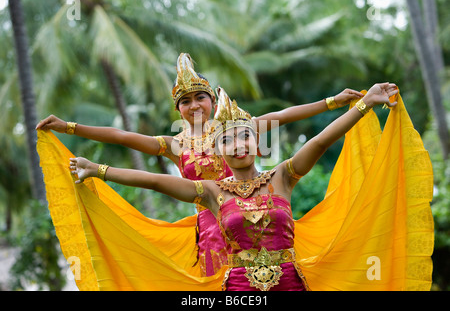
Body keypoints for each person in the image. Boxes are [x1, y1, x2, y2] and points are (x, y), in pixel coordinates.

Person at [35, 53, 363, 276]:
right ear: (179, 109)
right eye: (186, 101)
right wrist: (69, 127)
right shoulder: (175, 145)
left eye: (200, 98)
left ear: (211, 100)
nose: (194, 106)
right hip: (214, 224)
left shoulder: (237, 132)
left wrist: (332, 102)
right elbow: (122, 136)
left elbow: (282, 116)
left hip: (260, 210)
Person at [68, 83, 401, 291]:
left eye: (245, 136)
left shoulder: (282, 176)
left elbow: (320, 140)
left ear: (258, 143)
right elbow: (155, 181)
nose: (238, 144)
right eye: (227, 140)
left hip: (290, 283)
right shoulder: (211, 190)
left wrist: (362, 104)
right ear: (219, 150)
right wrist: (97, 169)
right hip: (233, 277)